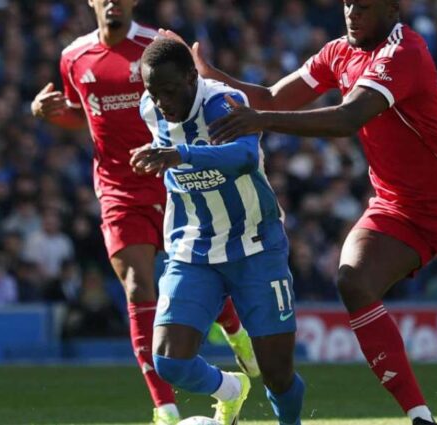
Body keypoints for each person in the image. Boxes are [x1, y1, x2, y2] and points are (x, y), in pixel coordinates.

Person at [163, 1, 437, 424]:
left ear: (392, 8)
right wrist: (209, 77)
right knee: (352, 278)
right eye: (347, 5)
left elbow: (346, 118)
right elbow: (272, 96)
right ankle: (419, 416)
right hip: (397, 209)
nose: (353, 14)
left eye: (364, 5)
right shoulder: (337, 51)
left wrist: (260, 121)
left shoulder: (405, 52)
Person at [29, 1, 258, 423]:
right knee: (139, 284)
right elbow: (85, 114)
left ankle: (235, 332)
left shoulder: (158, 46)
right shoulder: (74, 57)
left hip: (174, 176)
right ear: (91, 2)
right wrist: (50, 113)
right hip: (119, 188)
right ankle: (166, 408)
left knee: (194, 268)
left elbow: (195, 100)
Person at [129, 38, 305, 425]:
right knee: (169, 361)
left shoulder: (223, 103)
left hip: (255, 244)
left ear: (193, 77)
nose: (161, 102)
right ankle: (231, 389)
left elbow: (243, 156)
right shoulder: (150, 110)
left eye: (170, 91)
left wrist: (182, 154)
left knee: (277, 375)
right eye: (153, 92)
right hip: (193, 247)